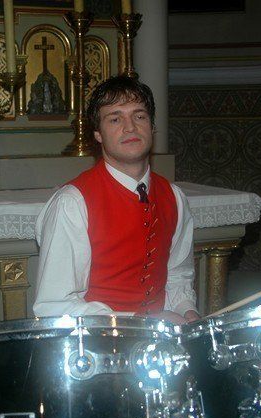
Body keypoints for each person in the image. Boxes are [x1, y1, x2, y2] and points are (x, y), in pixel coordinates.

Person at [33, 76, 199, 324]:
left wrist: (188, 312)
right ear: (98, 134)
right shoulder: (72, 203)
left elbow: (177, 275)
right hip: (96, 341)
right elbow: (54, 307)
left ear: (152, 126)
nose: (130, 127)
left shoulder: (174, 197)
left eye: (139, 116)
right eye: (115, 119)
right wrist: (142, 323)